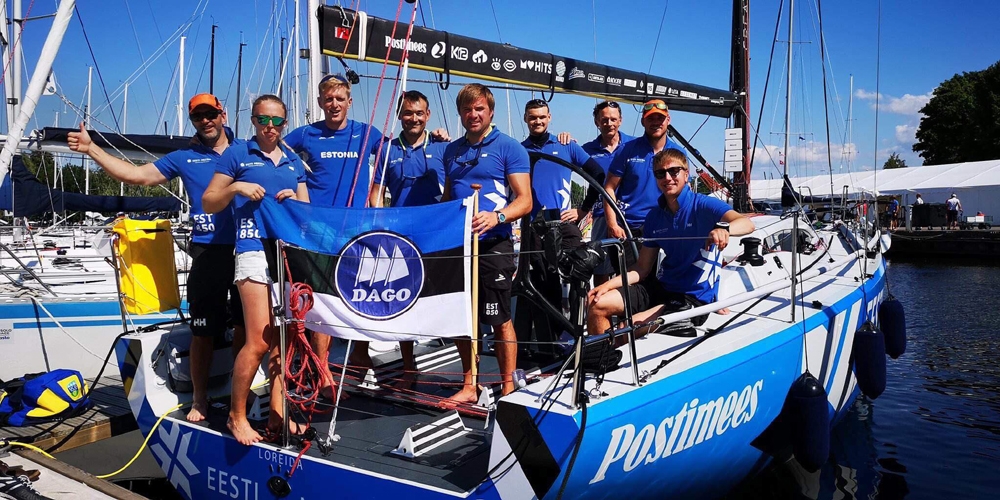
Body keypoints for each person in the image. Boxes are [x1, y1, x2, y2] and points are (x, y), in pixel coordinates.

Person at [67, 93, 242, 423]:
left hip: (247, 248)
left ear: (223, 115)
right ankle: (200, 399)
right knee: (203, 331)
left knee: (247, 328)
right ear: (193, 121)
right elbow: (136, 176)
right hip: (209, 251)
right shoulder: (185, 157)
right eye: (198, 116)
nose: (205, 120)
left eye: (211, 114)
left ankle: (240, 395)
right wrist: (92, 150)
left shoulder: (246, 150)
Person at [202, 94, 309, 445]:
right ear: (253, 120)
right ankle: (236, 416)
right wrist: (236, 186)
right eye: (263, 120)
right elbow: (209, 201)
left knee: (283, 340)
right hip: (251, 248)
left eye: (277, 121)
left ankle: (279, 413)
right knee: (259, 340)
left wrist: (294, 201)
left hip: (285, 252)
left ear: (285, 123)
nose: (270, 127)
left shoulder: (293, 160)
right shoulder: (237, 154)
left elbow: (307, 209)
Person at [283, 73, 385, 392]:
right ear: (320, 102)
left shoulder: (366, 133)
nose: (334, 104)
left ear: (349, 102)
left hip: (356, 227)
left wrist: (436, 139)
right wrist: (292, 185)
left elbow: (395, 153)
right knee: (323, 299)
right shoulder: (307, 134)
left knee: (360, 294)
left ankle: (360, 354)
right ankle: (323, 368)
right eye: (328, 99)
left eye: (340, 99)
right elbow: (275, 151)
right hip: (319, 228)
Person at [587, 149, 754, 338]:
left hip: (691, 297)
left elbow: (747, 223)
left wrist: (724, 229)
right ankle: (600, 356)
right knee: (596, 303)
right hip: (662, 287)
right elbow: (641, 268)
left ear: (686, 174)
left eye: (674, 171)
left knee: (624, 331)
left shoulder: (703, 205)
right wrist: (606, 286)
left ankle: (606, 353)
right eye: (660, 173)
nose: (667, 178)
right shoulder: (654, 217)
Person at [442, 83, 532, 402]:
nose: (473, 114)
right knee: (462, 318)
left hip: (494, 245)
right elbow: (448, 197)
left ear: (490, 112)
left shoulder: (509, 147)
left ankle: (508, 386)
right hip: (460, 247)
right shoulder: (451, 151)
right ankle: (470, 385)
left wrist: (498, 217)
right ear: (460, 113)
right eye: (467, 109)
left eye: (479, 108)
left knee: (499, 317)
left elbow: (525, 200)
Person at [366, 90, 448, 389]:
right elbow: (376, 193)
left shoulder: (443, 147)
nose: (414, 118)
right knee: (405, 301)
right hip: (402, 238)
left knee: (447, 299)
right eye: (408, 113)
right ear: (400, 115)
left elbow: (455, 188)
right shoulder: (387, 149)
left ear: (428, 115)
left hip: (438, 236)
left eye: (419, 113)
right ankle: (409, 367)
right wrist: (381, 226)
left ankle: (469, 371)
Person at [519, 98, 605, 341]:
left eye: (542, 117)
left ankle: (578, 332)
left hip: (565, 223)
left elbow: (598, 174)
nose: (537, 121)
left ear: (549, 118)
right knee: (543, 282)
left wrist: (583, 210)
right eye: (532, 117)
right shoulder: (518, 150)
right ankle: (551, 338)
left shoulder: (566, 145)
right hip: (533, 226)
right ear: (525, 119)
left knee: (579, 273)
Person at [603, 99, 685, 274]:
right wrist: (612, 223)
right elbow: (609, 187)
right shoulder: (627, 149)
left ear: (668, 120)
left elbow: (684, 193)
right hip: (630, 230)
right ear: (642, 121)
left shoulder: (678, 153)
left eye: (660, 118)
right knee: (629, 284)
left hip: (664, 228)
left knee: (663, 283)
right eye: (650, 118)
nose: (656, 122)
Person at [582, 100, 634, 285]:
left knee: (630, 269)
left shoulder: (634, 145)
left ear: (620, 120)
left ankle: (627, 302)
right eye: (604, 120)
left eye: (613, 119)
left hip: (631, 215)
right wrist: (564, 140)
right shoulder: (586, 150)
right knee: (601, 267)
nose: (609, 123)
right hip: (601, 215)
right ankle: (600, 300)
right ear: (597, 122)